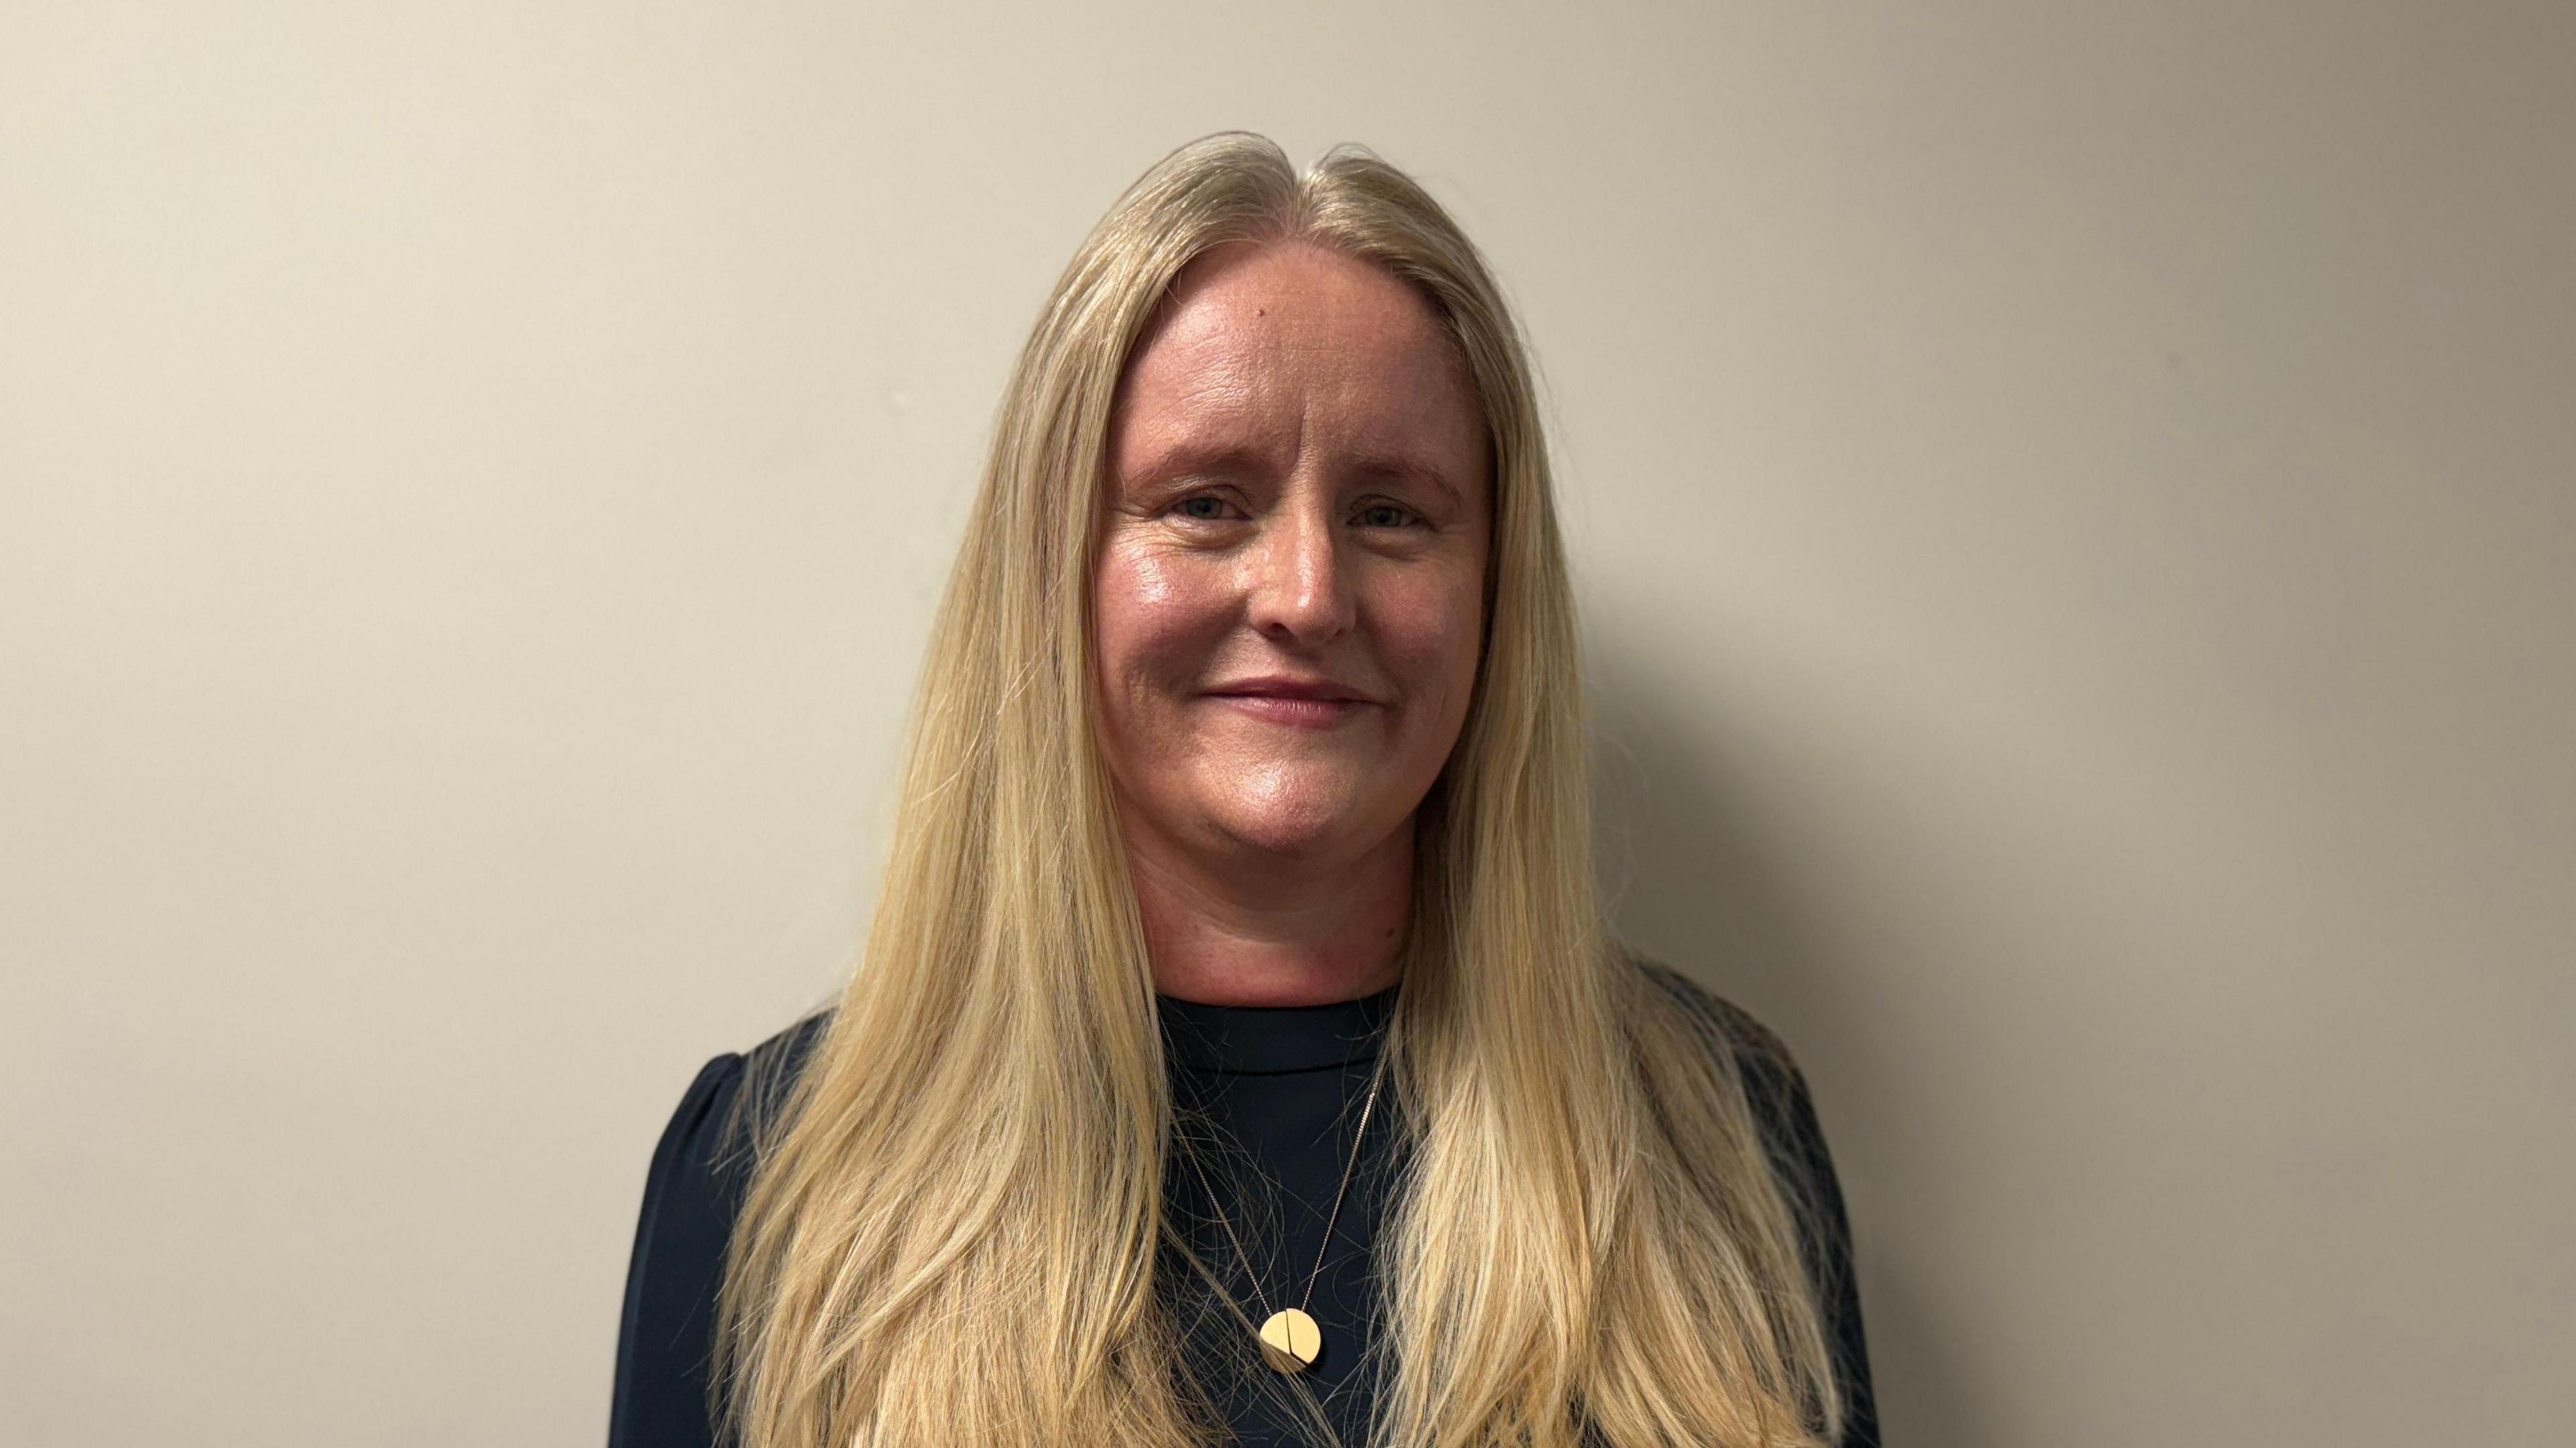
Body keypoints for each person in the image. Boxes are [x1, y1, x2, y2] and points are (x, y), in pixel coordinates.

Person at [608, 131, 1877, 1448]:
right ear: (1055, 574)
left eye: (1392, 512)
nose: (1310, 595)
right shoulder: (774, 1174)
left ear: (1497, 590)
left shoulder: (1712, 1133)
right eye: (1207, 502)